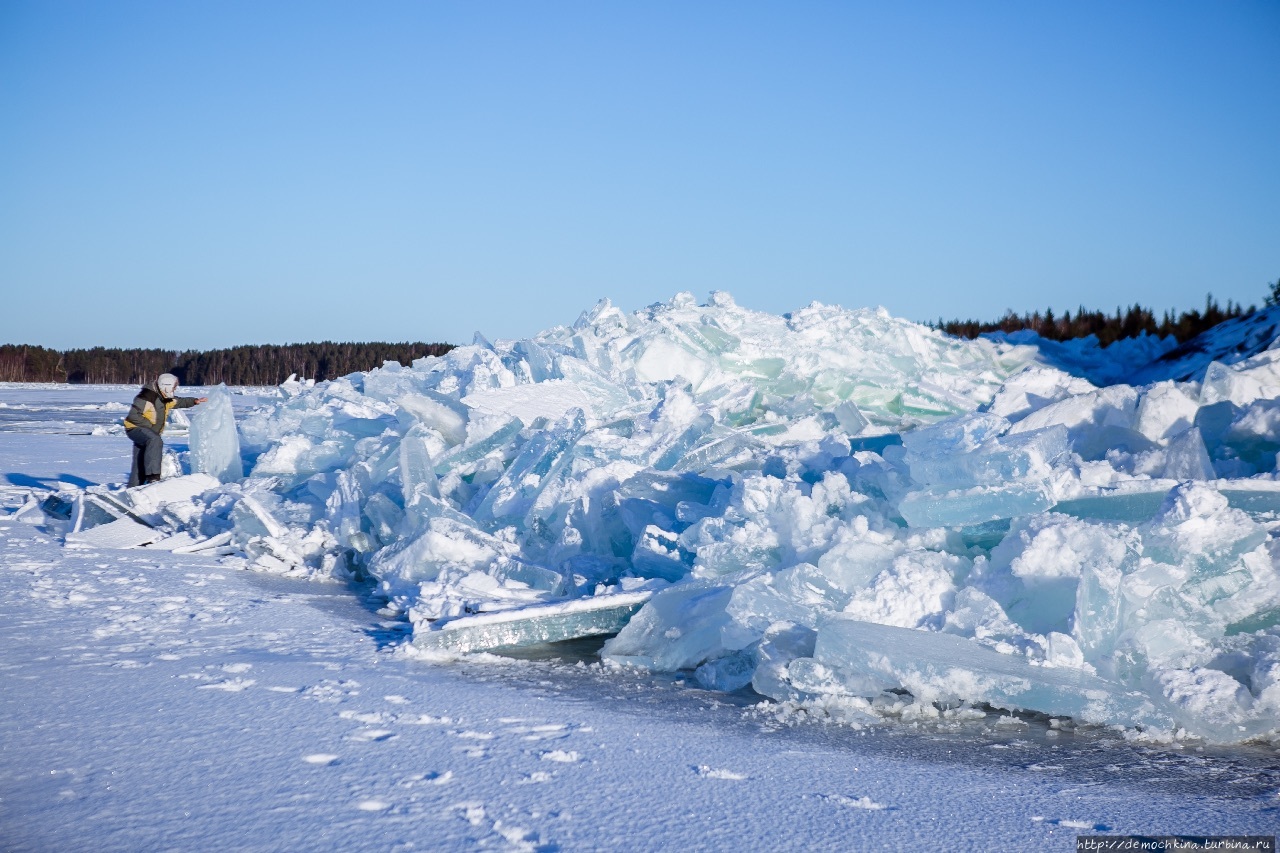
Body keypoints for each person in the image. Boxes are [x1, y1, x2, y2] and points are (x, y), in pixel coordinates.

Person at [123, 373, 207, 487]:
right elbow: (133, 416)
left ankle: (133, 488)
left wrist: (195, 401)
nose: (175, 389)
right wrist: (150, 427)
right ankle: (153, 478)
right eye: (174, 387)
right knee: (155, 440)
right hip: (135, 428)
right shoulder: (146, 397)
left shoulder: (165, 398)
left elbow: (179, 401)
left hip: (146, 432)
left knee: (140, 460)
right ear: (166, 386)